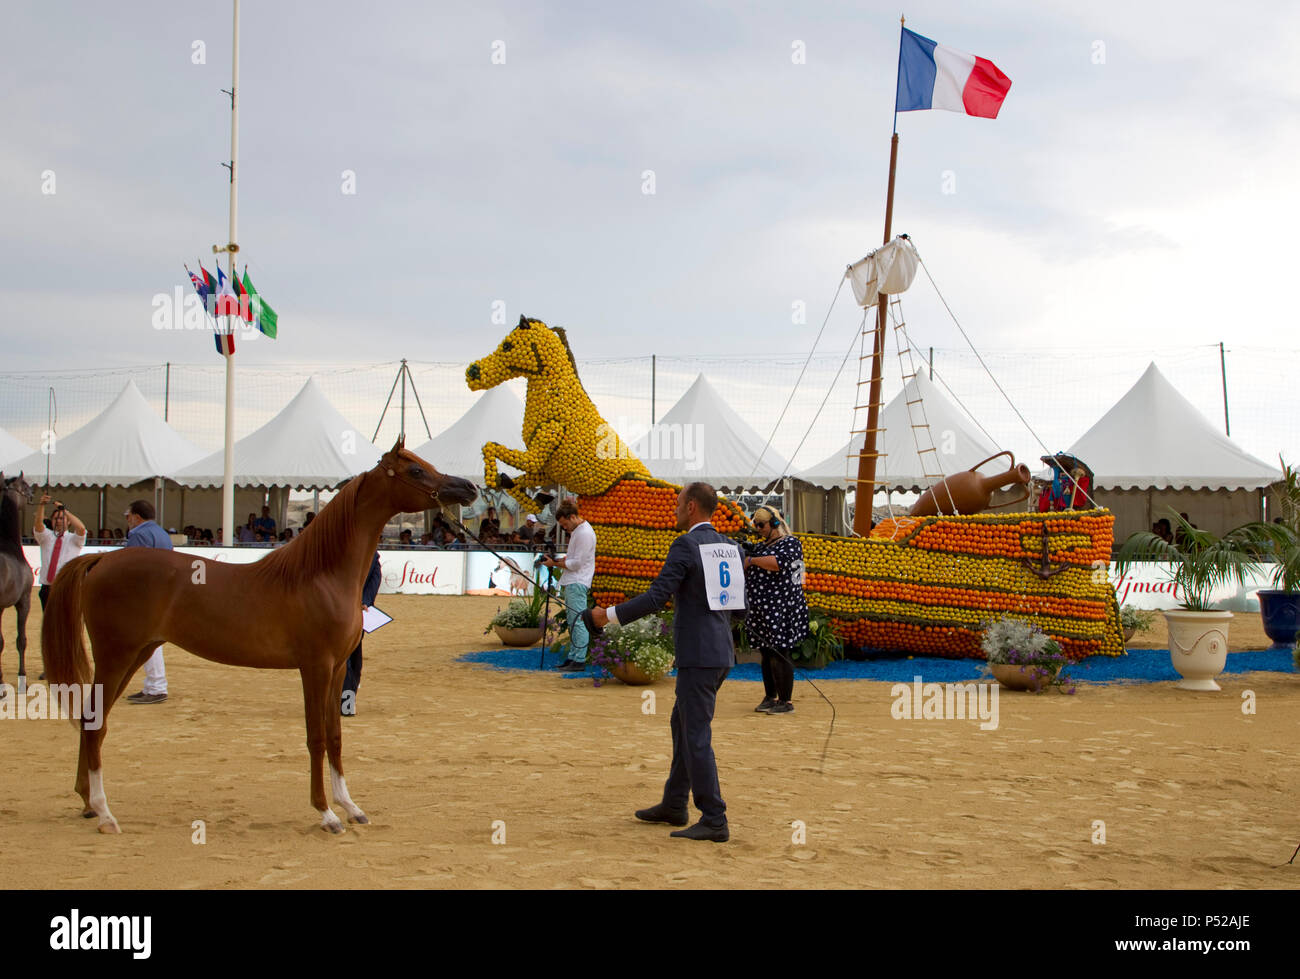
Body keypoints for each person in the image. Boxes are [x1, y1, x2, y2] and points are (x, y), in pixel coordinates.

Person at [591, 482, 739, 843]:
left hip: (699, 656)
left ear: (690, 506)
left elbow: (658, 597)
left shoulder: (686, 544)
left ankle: (715, 817)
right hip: (719, 652)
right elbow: (737, 604)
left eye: (677, 504)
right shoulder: (730, 547)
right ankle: (675, 803)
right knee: (682, 725)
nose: (674, 510)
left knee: (695, 734)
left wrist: (605, 616)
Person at [742, 505, 808, 714]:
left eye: (761, 524)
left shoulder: (790, 543)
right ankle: (770, 696)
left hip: (782, 608)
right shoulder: (762, 546)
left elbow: (777, 563)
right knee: (766, 652)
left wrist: (751, 560)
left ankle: (786, 701)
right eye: (756, 525)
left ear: (775, 524)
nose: (758, 528)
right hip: (763, 608)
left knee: (780, 652)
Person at [122, 500, 174, 704]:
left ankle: (156, 687)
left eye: (129, 516)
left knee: (147, 640)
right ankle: (154, 685)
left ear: (137, 516)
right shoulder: (162, 534)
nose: (127, 520)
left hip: (144, 594)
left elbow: (131, 565)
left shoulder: (137, 534)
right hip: (162, 591)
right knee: (151, 640)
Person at [33, 494, 88, 680]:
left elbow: (81, 528)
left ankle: (72, 666)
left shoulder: (74, 539)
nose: (59, 521)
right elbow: (39, 525)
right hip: (48, 589)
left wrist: (65, 510)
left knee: (69, 628)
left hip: (67, 589)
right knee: (50, 630)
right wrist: (42, 505)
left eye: (62, 518)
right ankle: (51, 667)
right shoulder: (46, 537)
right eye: (56, 518)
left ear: (68, 521)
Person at [543, 500, 596, 672]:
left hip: (577, 580)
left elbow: (576, 563)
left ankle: (579, 659)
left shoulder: (584, 533)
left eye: (565, 524)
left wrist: (555, 564)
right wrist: (559, 561)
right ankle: (574, 656)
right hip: (574, 580)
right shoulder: (580, 531)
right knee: (574, 621)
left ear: (572, 517)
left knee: (578, 621)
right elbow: (574, 559)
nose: (565, 528)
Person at [342, 551, 382, 716]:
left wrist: (365, 600)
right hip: (337, 610)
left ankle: (346, 703)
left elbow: (375, 578)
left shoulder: (372, 554)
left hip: (358, 612)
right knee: (346, 662)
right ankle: (345, 704)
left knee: (354, 662)